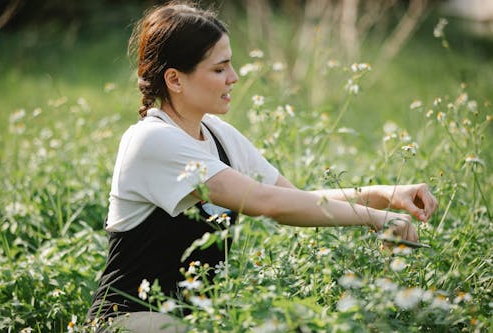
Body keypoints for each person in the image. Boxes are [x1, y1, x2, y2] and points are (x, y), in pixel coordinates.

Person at [86, 1, 438, 331]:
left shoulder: (217, 135)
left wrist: (383, 196)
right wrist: (376, 220)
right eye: (219, 68)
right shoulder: (151, 141)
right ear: (175, 79)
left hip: (194, 322)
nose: (234, 77)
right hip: (127, 319)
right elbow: (266, 204)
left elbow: (294, 200)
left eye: (231, 64)